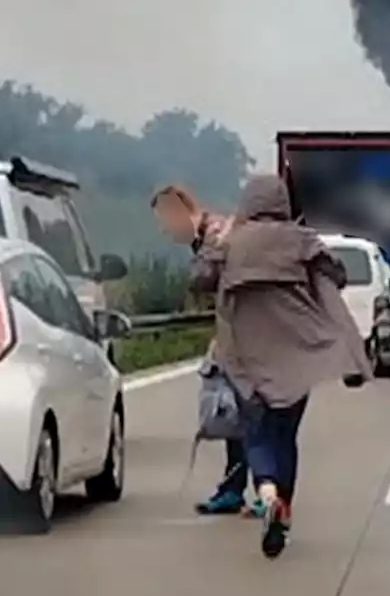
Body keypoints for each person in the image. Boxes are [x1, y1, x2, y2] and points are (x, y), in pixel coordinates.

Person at [187, 173, 371, 558]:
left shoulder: (232, 242)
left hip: (244, 360)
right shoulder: (301, 240)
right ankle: (281, 508)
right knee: (285, 434)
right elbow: (335, 275)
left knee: (256, 433)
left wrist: (216, 243)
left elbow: (200, 280)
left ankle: (267, 492)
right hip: (294, 356)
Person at [150, 183, 263, 518]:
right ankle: (234, 488)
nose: (166, 230)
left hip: (251, 337)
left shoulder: (215, 234)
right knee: (234, 415)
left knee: (252, 416)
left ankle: (263, 489)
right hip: (235, 335)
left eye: (165, 220)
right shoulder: (209, 235)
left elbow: (203, 279)